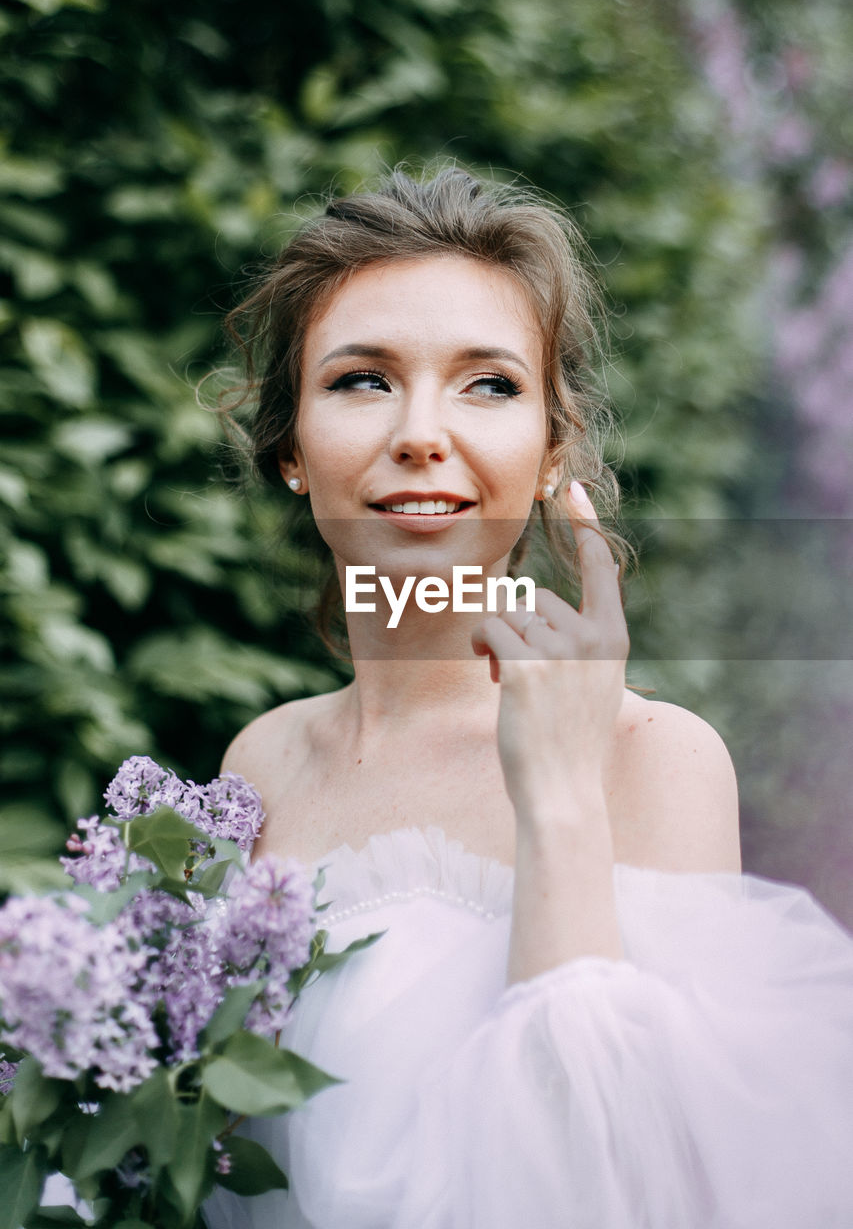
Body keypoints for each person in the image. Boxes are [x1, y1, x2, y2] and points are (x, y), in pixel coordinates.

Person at [204, 168, 853, 1229]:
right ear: (288, 449)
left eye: (489, 384)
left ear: (553, 452)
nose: (421, 432)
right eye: (361, 378)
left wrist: (556, 790)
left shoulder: (654, 758)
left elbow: (628, 1184)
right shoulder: (262, 763)